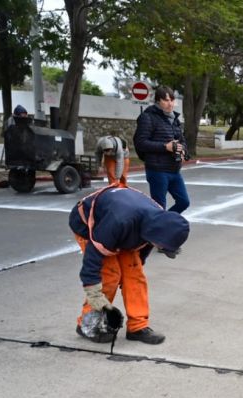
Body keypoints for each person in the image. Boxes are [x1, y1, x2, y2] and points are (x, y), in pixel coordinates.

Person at [69, 185, 190, 345]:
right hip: (91, 226)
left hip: (126, 230)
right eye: (162, 246)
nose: (160, 248)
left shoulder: (157, 220)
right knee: (110, 275)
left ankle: (137, 327)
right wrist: (93, 293)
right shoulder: (119, 221)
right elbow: (93, 258)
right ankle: (88, 324)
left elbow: (145, 247)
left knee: (135, 275)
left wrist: (137, 264)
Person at [133, 85, 190, 214]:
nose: (170, 104)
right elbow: (141, 143)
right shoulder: (147, 117)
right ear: (158, 101)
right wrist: (165, 147)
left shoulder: (175, 119)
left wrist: (184, 153)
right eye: (166, 100)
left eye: (172, 100)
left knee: (183, 202)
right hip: (157, 170)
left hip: (174, 170)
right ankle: (157, 229)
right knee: (159, 207)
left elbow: (182, 142)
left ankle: (164, 222)